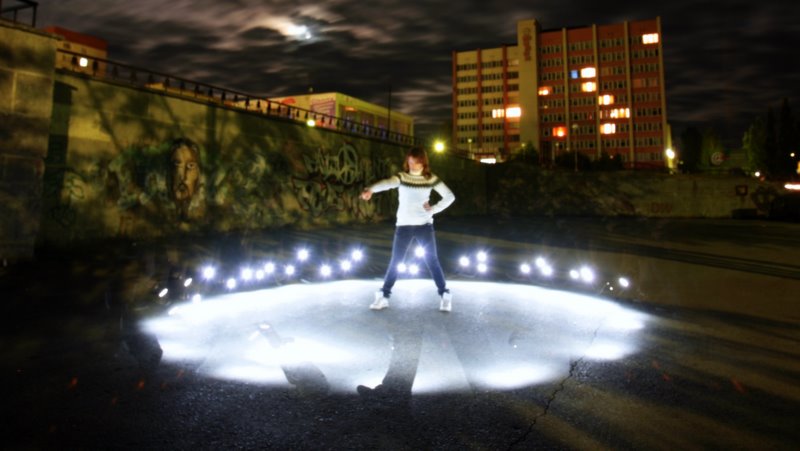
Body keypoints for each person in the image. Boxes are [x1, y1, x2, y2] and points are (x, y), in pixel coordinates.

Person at [360, 147, 456, 312]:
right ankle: (384, 296)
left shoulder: (430, 179)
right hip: (403, 226)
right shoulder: (402, 177)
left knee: (432, 261)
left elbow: (449, 196)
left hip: (424, 226)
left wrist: (433, 209)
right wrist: (371, 190)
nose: (412, 166)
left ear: (423, 163)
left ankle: (445, 295)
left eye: (416, 163)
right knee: (396, 261)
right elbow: (387, 183)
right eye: (410, 162)